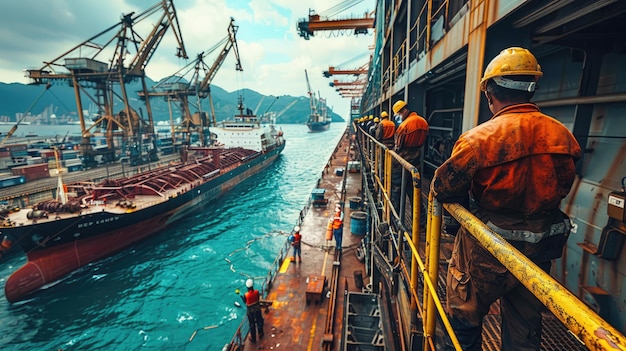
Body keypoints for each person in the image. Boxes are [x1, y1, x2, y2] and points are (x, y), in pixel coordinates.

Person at [431, 47, 581, 351]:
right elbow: (564, 182)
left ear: (490, 95)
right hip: (539, 248)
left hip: (487, 247)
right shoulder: (563, 136)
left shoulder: (478, 140)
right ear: (532, 89)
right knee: (525, 327)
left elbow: (444, 187)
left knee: (464, 313)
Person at [391, 99, 429, 211]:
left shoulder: (404, 125)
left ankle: (395, 215)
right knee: (415, 191)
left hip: (402, 161)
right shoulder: (423, 122)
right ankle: (420, 223)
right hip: (416, 160)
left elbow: (398, 146)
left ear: (401, 112)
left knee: (396, 188)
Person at [240, 278, 264, 343]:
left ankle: (253, 338)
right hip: (257, 309)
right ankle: (260, 333)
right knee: (259, 321)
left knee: (252, 324)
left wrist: (240, 295)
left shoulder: (246, 295)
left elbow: (245, 301)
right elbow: (257, 299)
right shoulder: (256, 292)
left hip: (250, 311)